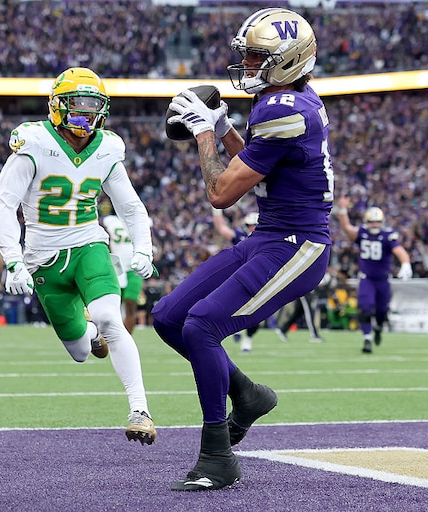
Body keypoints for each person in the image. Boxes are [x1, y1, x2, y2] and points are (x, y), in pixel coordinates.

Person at [152, 8, 333, 491]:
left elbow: (221, 193)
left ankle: (217, 455)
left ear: (288, 60)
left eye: (258, 56)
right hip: (268, 237)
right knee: (169, 316)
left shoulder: (282, 109)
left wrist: (204, 130)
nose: (249, 64)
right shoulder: (291, 98)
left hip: (298, 246)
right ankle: (248, 396)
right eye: (248, 54)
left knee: (202, 325)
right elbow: (259, 162)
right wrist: (226, 125)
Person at [0, 67, 157, 445]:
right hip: (43, 259)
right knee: (82, 351)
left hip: (88, 245)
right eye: (78, 104)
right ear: (58, 106)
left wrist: (144, 246)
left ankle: (140, 409)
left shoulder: (108, 147)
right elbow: (4, 204)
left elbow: (129, 206)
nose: (87, 114)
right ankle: (93, 334)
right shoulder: (33, 142)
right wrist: (13, 260)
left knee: (110, 318)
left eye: (93, 105)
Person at [333, 197, 413, 353]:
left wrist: (406, 263)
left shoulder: (387, 235)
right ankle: (367, 339)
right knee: (365, 308)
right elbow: (347, 229)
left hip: (383, 280)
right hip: (367, 278)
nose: (374, 225)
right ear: (367, 222)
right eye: (371, 222)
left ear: (381, 222)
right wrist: (343, 210)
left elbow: (399, 250)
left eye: (376, 222)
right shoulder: (362, 233)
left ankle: (378, 327)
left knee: (382, 312)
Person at [212, 208, 260, 352]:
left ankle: (247, 339)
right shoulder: (241, 236)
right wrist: (216, 210)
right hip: (240, 276)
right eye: (249, 225)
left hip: (258, 277)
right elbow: (221, 228)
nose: (251, 228)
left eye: (254, 225)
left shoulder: (267, 238)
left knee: (257, 310)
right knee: (231, 305)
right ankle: (236, 328)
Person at [101, 210, 146, 334]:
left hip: (134, 267)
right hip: (116, 267)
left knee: (131, 304)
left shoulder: (140, 219)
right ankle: (110, 338)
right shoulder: (109, 220)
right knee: (111, 306)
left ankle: (127, 339)